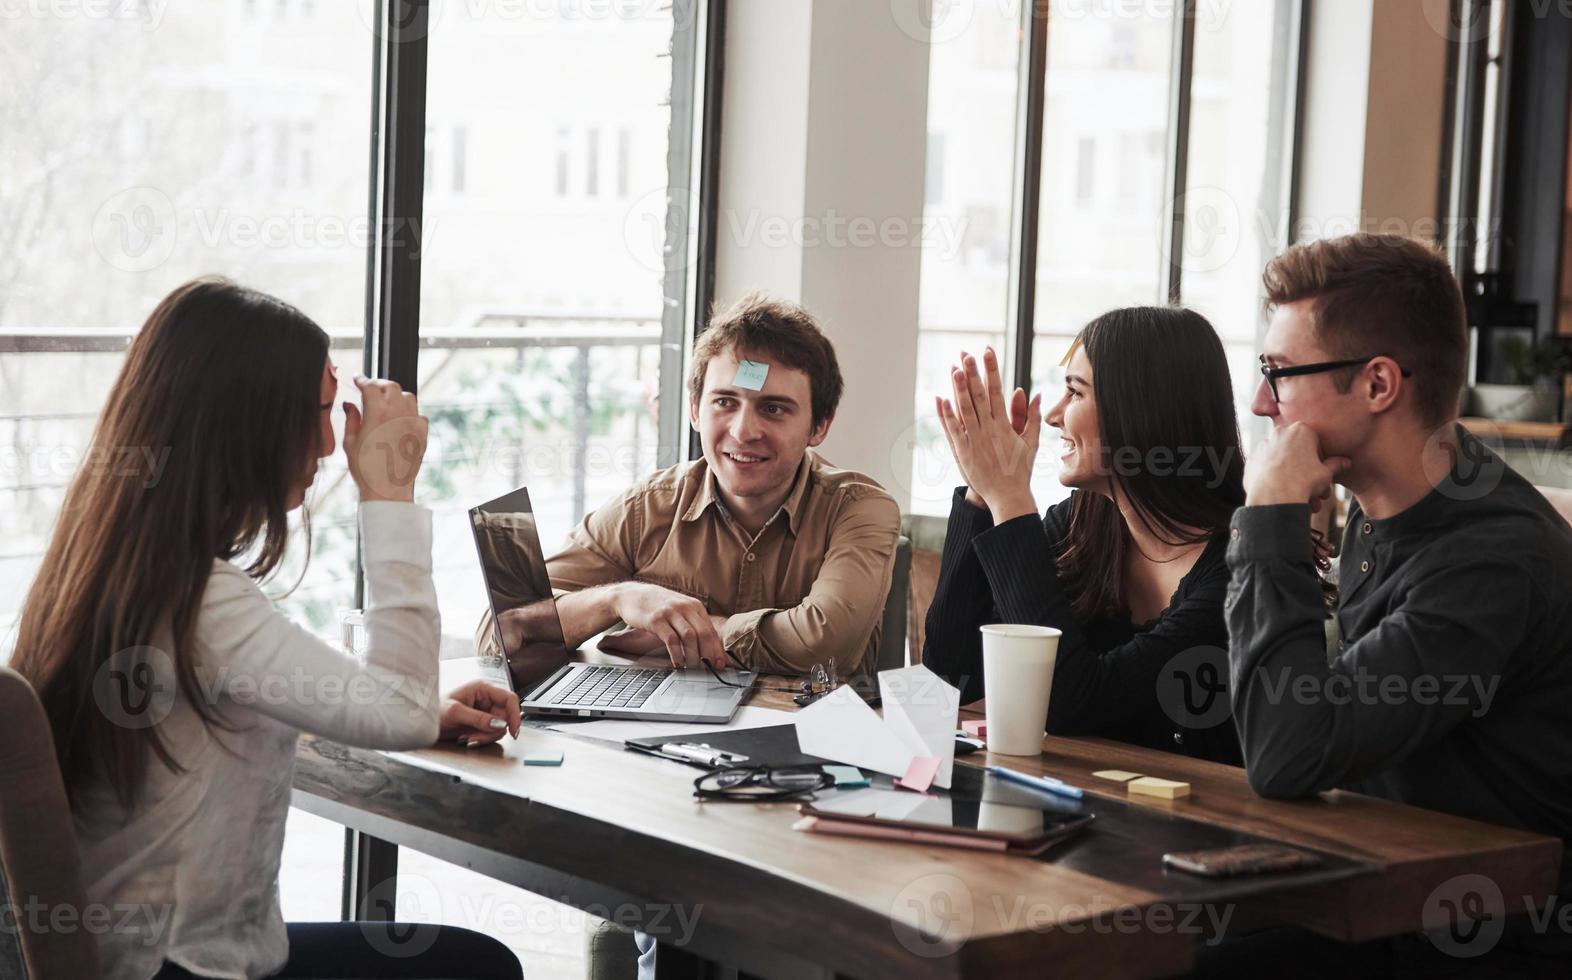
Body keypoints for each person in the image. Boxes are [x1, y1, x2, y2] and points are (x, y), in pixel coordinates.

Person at [10, 278, 522, 980]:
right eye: (319, 410)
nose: (328, 442)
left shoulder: (103, 573)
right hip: (190, 970)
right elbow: (398, 713)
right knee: (478, 967)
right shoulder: (204, 603)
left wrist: (416, 709)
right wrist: (389, 493)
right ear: (246, 424)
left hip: (133, 960)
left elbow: (226, 715)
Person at [1223, 233, 1572, 970]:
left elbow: (1289, 753)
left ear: (1379, 385)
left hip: (1488, 935)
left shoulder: (1493, 560)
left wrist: (1269, 520)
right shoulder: (1379, 515)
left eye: (1279, 374)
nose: (1260, 402)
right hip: (1383, 894)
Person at [476, 292, 902, 680]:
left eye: (773, 409)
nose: (743, 430)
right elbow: (502, 633)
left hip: (810, 748)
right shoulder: (646, 509)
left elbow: (824, 645)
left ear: (819, 426)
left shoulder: (860, 508)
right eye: (725, 402)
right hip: (659, 753)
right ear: (696, 409)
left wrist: (697, 631)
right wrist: (619, 599)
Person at [922, 307, 1247, 764]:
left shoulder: (1240, 571)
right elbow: (952, 674)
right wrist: (983, 493)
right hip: (1084, 808)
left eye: (1074, 392)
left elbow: (1075, 702)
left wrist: (1011, 499)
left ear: (1140, 409)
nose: (1053, 415)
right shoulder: (1083, 523)